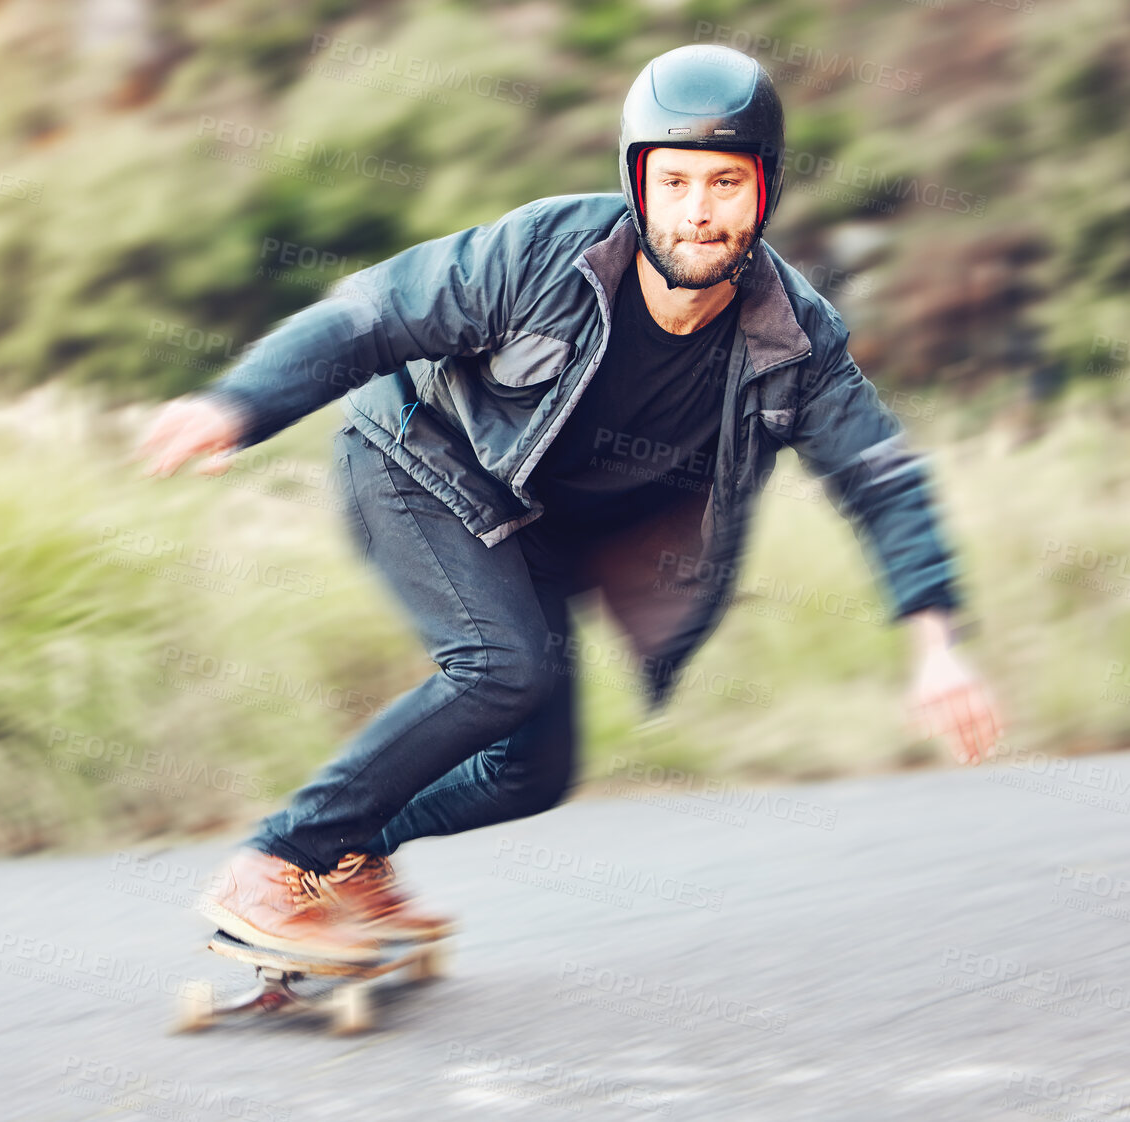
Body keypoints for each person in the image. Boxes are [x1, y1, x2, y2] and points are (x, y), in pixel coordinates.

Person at [134, 44, 1004, 963]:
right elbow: (371, 316)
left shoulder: (794, 341)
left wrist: (936, 648)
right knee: (501, 668)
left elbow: (880, 477)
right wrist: (237, 402)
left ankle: (351, 857)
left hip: (529, 524)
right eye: (673, 182)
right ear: (637, 182)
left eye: (725, 183)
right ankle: (275, 862)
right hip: (414, 459)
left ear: (766, 190)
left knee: (534, 773)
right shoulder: (543, 255)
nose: (698, 212)